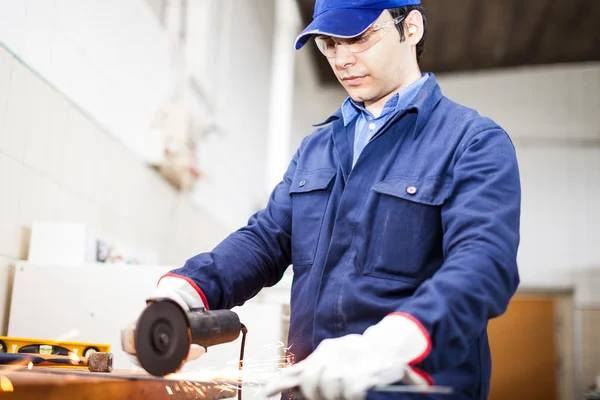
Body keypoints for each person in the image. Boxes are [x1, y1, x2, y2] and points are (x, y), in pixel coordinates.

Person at [148, 0, 521, 399]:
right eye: (329, 44)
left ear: (410, 28)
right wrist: (189, 289)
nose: (341, 59)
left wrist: (387, 346)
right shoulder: (319, 146)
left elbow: (484, 264)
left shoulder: (471, 142)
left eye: (359, 38)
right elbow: (266, 239)